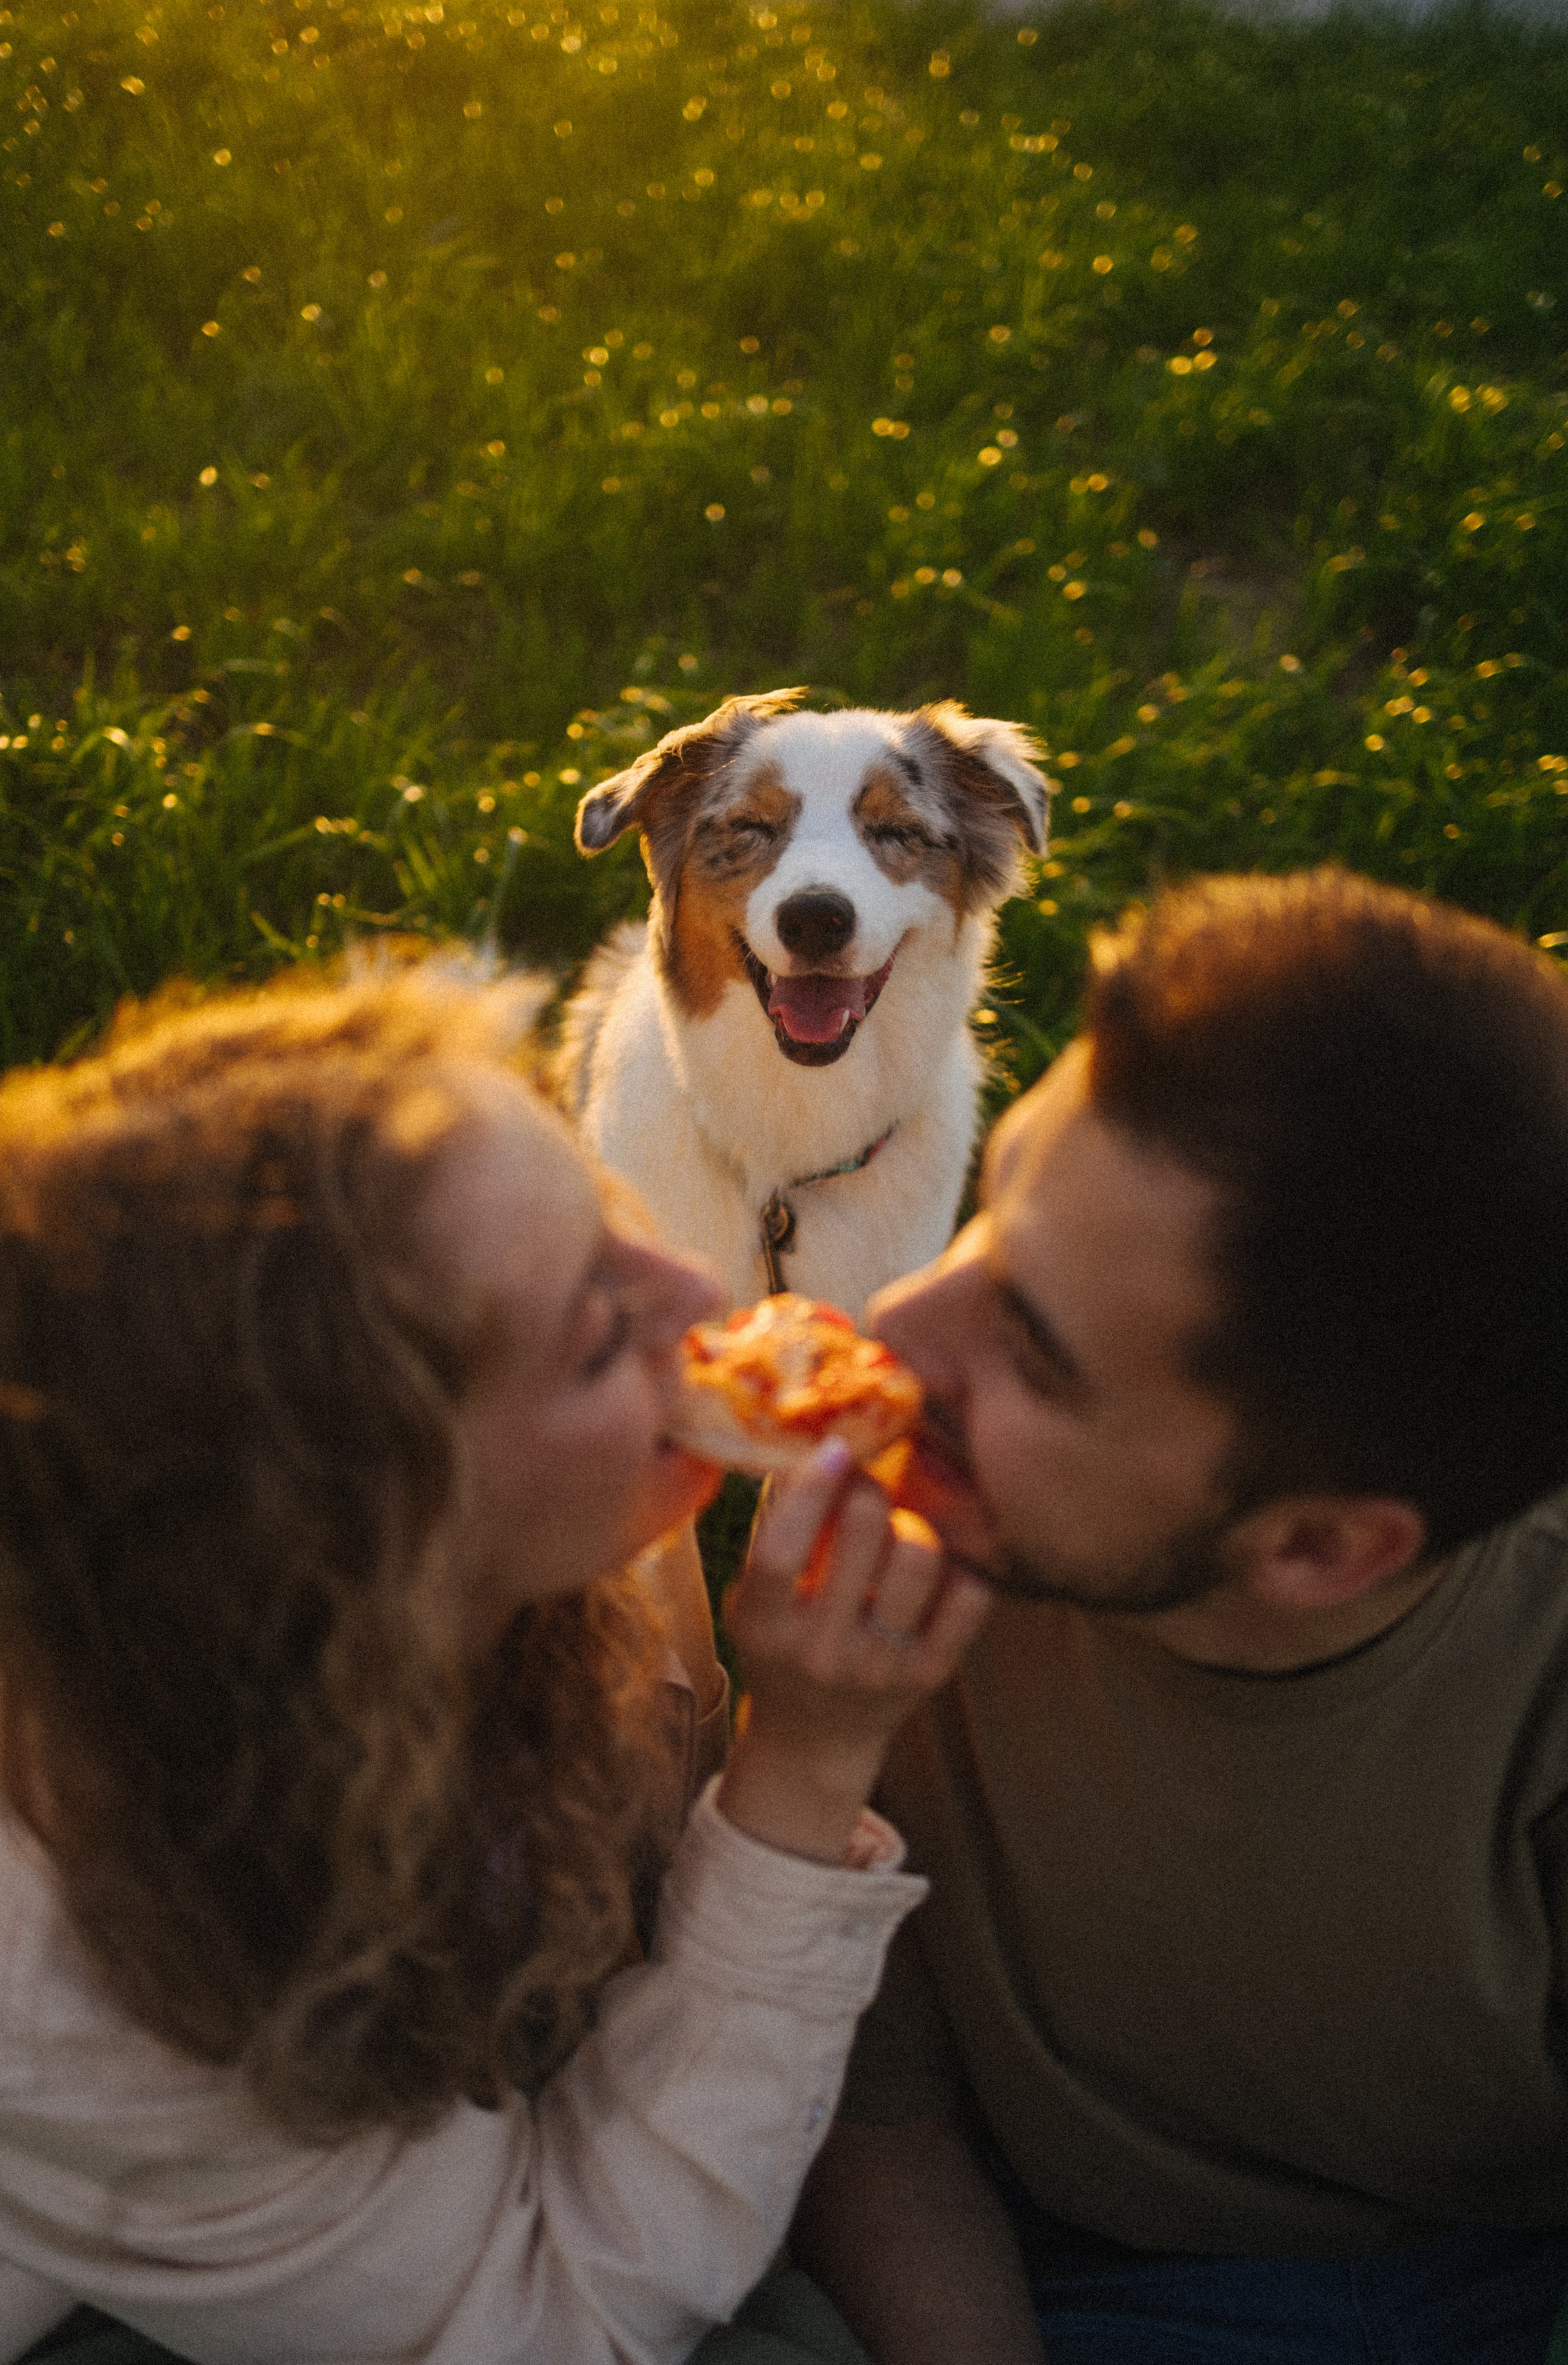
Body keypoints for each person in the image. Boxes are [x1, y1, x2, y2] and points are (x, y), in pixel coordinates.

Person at [0, 961, 991, 2365]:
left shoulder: (560, 1513)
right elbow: (547, 2321)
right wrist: (805, 1769)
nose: (696, 1287)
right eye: (595, 1329)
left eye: (600, 1211)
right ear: (385, 1544)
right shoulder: (80, 1980)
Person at [791, 867, 1568, 2365]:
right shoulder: (914, 1564)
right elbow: (876, 2103)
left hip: (1495, 2277)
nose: (896, 1326)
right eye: (984, 1211)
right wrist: (796, 1742)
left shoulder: (1564, 1677)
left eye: (1030, 1348)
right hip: (1005, 2253)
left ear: (1311, 1548)